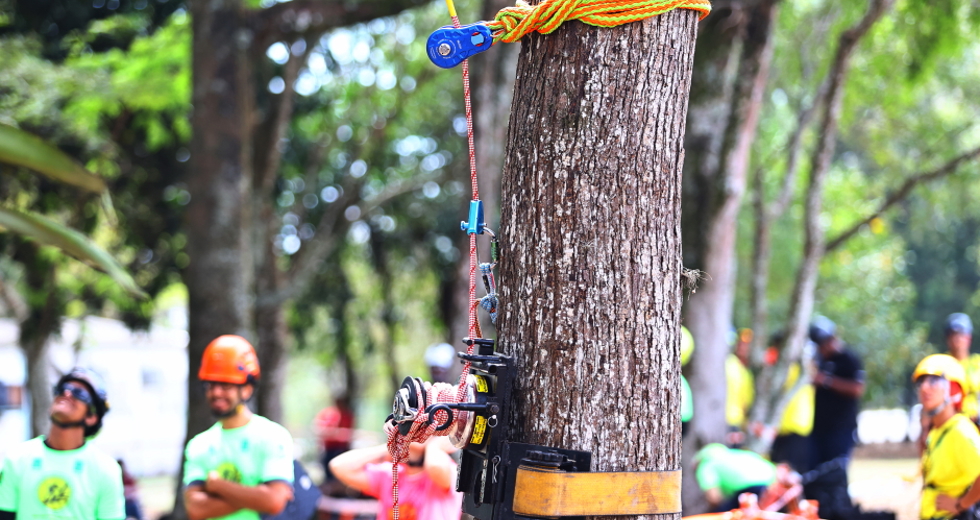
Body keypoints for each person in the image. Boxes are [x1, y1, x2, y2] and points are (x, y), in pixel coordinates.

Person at [183, 335, 294, 520]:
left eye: (226, 385)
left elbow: (274, 502)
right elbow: (195, 509)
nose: (216, 392)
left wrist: (219, 487)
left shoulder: (273, 436)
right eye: (211, 384)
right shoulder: (198, 445)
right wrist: (257, 496)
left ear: (247, 389)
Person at [0, 367, 125, 520]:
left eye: (80, 393)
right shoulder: (16, 458)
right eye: (63, 388)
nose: (67, 393)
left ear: (91, 417)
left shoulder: (106, 469)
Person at [806, 316, 864, 520]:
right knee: (817, 475)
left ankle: (840, 510)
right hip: (819, 430)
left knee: (837, 474)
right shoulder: (818, 361)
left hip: (841, 429)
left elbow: (857, 388)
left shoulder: (849, 359)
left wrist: (826, 381)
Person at [913, 354, 980, 520]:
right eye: (921, 382)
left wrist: (960, 504)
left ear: (954, 389)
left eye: (934, 381)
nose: (924, 388)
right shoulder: (938, 431)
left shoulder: (959, 431)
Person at [330, 437, 462, 520]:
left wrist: (435, 445)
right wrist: (393, 445)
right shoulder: (390, 474)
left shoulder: (449, 471)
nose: (418, 431)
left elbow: (435, 465)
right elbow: (339, 466)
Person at [694, 443, 776, 513]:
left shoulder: (705, 465)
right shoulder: (733, 454)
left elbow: (714, 498)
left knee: (721, 514)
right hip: (774, 483)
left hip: (752, 487)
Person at [943, 313, 980, 424]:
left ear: (969, 338)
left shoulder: (977, 364)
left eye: (961, 334)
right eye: (953, 335)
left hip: (975, 424)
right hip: (948, 424)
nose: (957, 339)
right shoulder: (941, 364)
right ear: (947, 339)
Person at [314, 395, 355, 486]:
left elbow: (349, 433)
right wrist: (335, 433)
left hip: (343, 449)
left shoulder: (347, 414)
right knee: (329, 472)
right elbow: (319, 429)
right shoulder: (328, 414)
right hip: (330, 448)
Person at [726, 328, 755, 447]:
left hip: (736, 424)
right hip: (723, 420)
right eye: (741, 343)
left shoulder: (747, 373)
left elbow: (746, 404)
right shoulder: (729, 363)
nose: (743, 347)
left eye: (747, 344)